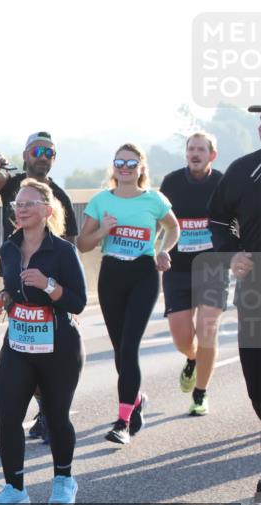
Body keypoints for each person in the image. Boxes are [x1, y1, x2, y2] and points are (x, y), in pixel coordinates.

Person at [0, 179, 86, 505]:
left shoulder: (63, 251)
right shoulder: (9, 248)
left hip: (58, 345)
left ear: (47, 210)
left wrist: (49, 285)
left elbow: (79, 302)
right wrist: (2, 300)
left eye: (29, 204)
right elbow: (12, 289)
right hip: (17, 344)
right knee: (8, 414)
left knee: (56, 416)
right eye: (18, 204)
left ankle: (63, 479)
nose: (21, 209)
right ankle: (14, 488)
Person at [77, 143, 179, 445]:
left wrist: (163, 251)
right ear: (113, 167)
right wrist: (103, 230)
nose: (125, 167)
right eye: (119, 162)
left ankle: (122, 422)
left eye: (131, 163)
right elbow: (83, 244)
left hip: (143, 276)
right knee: (120, 350)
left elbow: (173, 229)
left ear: (141, 168)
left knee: (130, 348)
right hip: (111, 276)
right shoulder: (100, 201)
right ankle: (135, 402)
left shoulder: (154, 200)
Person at [0, 132, 78, 443]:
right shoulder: (14, 185)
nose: (43, 156)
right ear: (25, 154)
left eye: (49, 152)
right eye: (37, 150)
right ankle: (45, 411)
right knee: (25, 350)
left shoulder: (60, 196)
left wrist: (56, 286)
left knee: (47, 356)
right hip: (15, 277)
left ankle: (51, 414)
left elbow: (71, 246)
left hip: (51, 294)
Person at [207, 104, 261, 505]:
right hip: (254, 292)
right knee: (257, 383)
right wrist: (231, 255)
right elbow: (219, 220)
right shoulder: (242, 172)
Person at [159, 132, 226, 415]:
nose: (194, 154)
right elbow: (158, 219)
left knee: (208, 329)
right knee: (182, 338)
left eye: (201, 149)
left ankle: (200, 394)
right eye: (190, 149)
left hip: (212, 268)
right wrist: (154, 250)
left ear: (212, 155)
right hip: (178, 269)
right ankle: (192, 358)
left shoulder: (222, 182)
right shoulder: (172, 182)